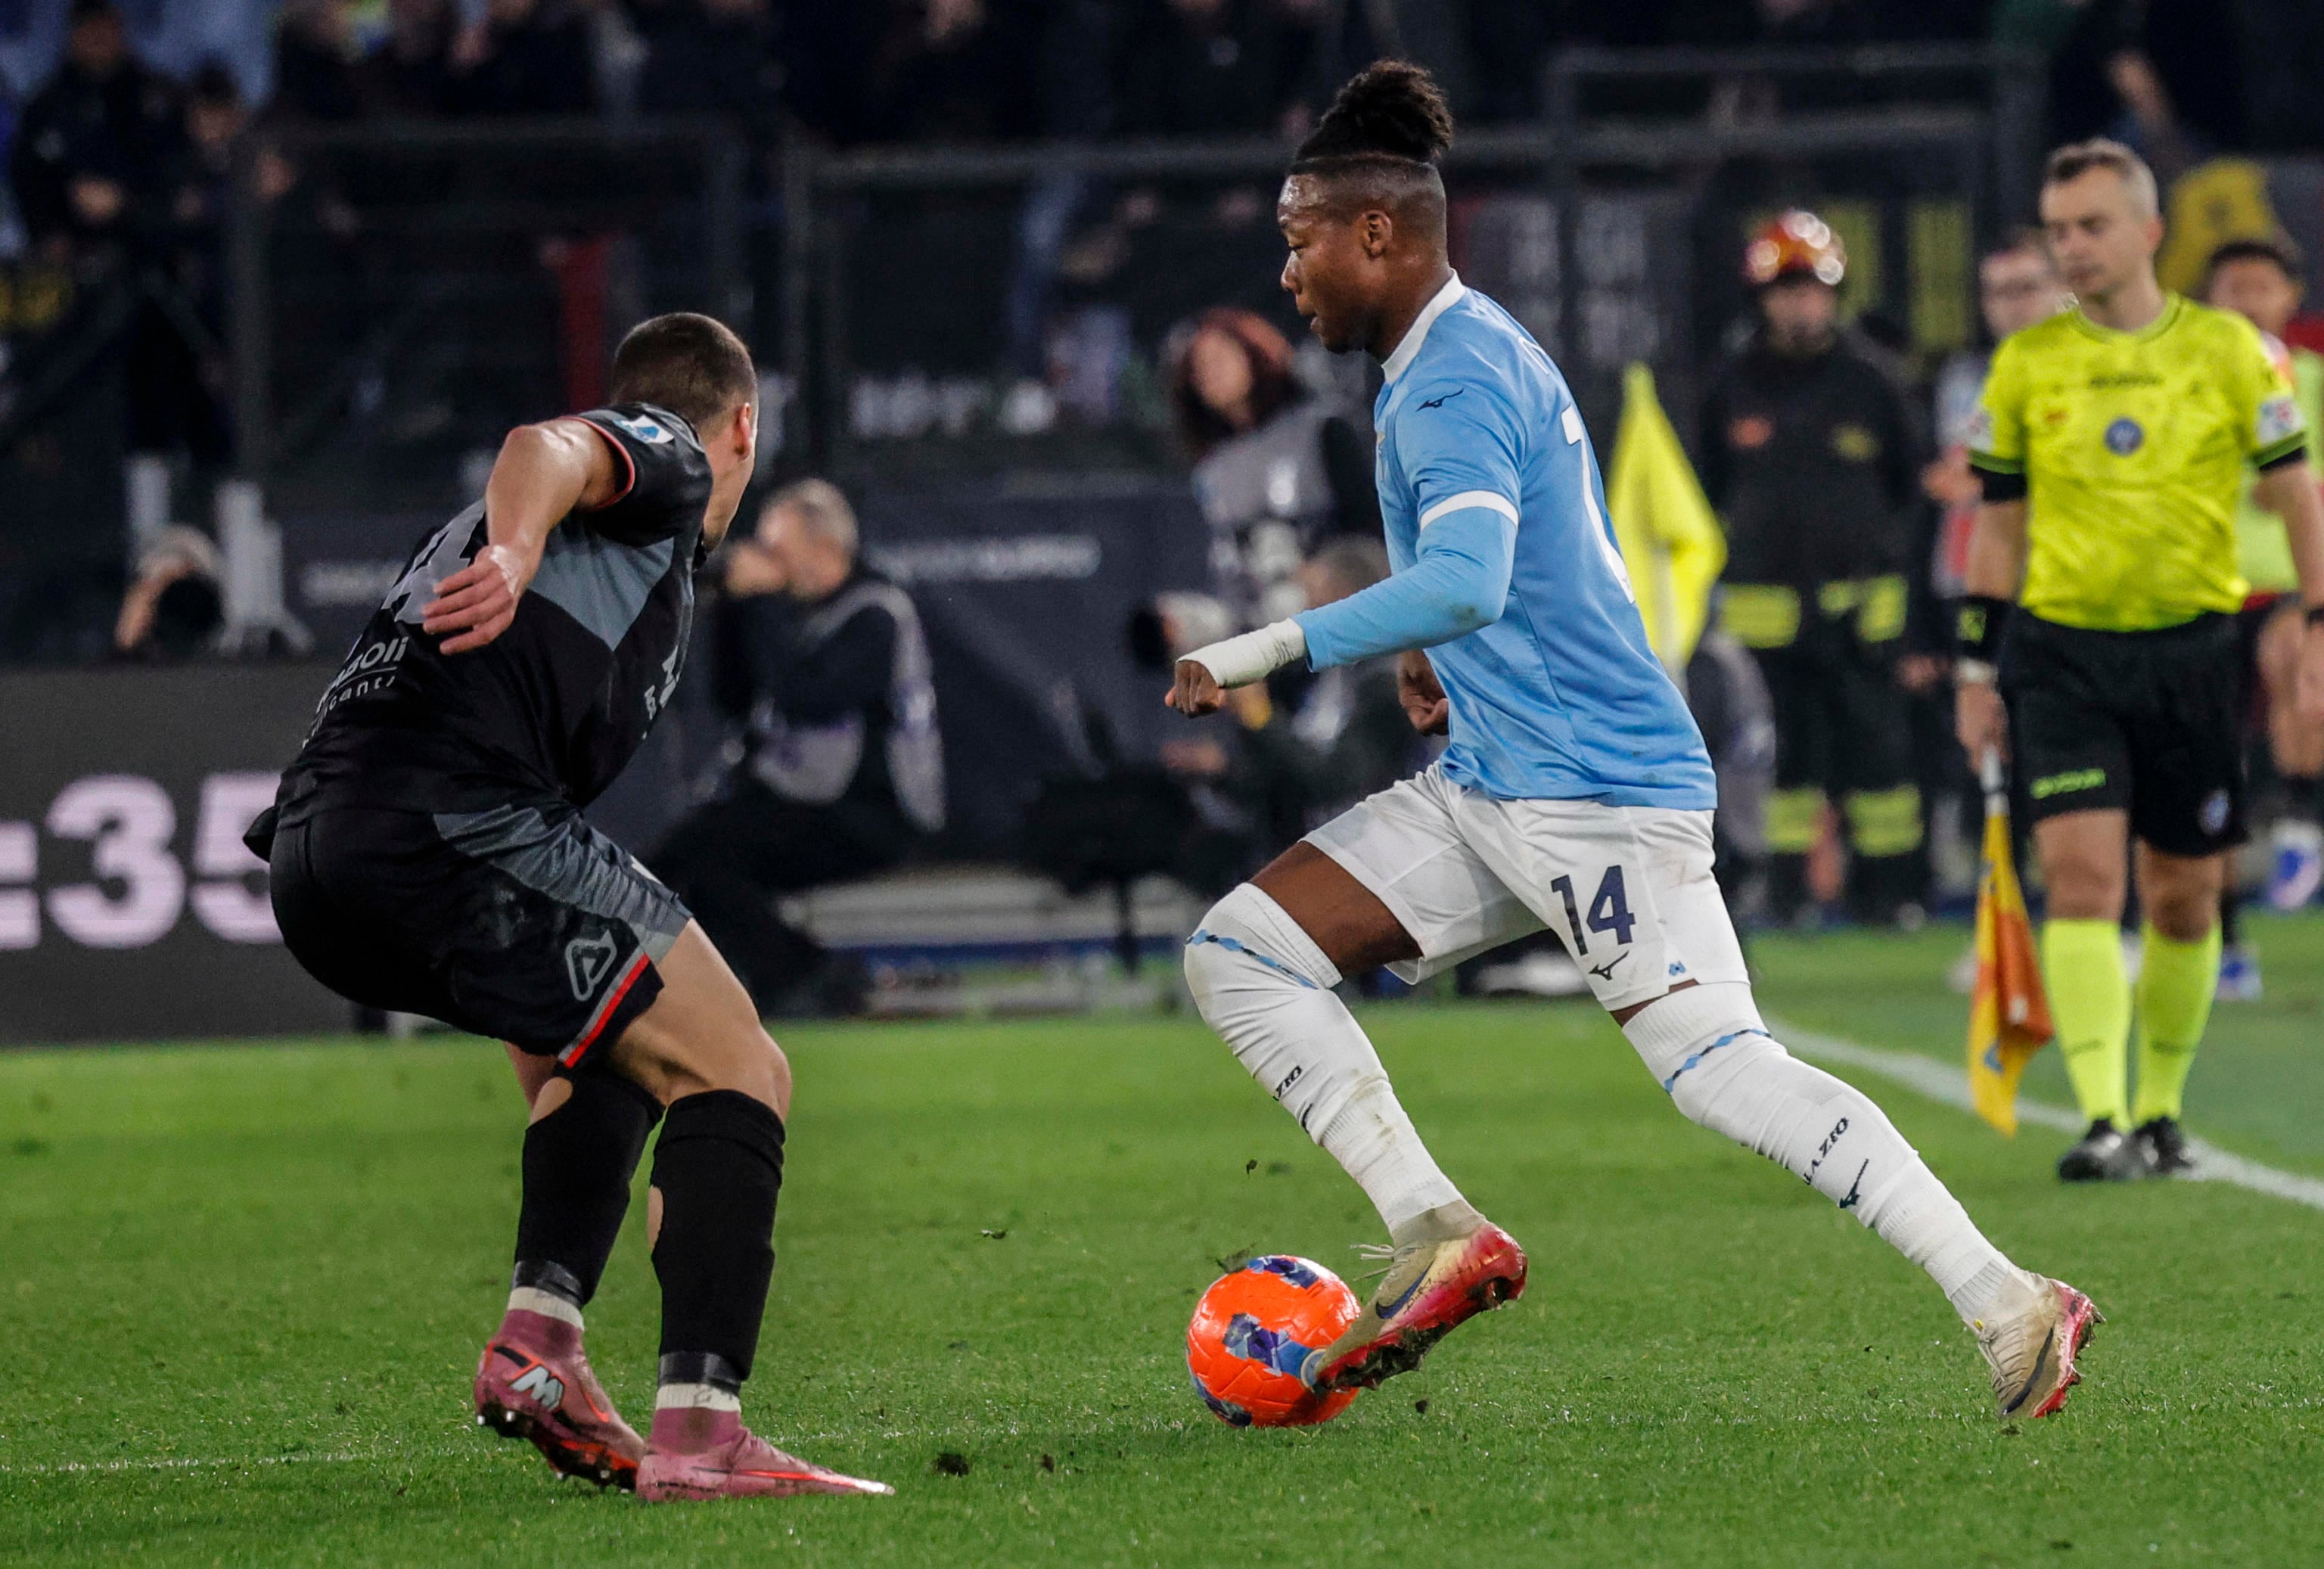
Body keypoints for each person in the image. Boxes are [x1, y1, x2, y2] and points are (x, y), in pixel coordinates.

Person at [1166, 60, 2099, 1424]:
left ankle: (2010, 1297)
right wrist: (1436, 653)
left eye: (1300, 235)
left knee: (1722, 1072)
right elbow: (1503, 571)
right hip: (1494, 777)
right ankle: (1434, 1223)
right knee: (1240, 950)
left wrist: (1262, 645)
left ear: (1378, 232)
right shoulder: (1450, 352)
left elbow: (1476, 573)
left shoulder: (1450, 377)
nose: (1288, 268)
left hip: (1598, 794)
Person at [250, 315, 890, 1501]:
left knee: (606, 1055)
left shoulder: (625, 557)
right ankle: (703, 1434)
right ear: (744, 425)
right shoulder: (672, 460)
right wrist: (513, 545)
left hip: (319, 854)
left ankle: (538, 1345)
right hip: (449, 821)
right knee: (741, 1068)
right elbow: (542, 444)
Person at [1957, 141, 2324, 1182]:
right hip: (2063, 654)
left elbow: (2299, 493)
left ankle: (2161, 1106)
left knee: (2184, 899)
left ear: (2149, 231)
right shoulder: (2027, 364)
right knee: (2080, 881)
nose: (2072, 246)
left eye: (2091, 225)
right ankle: (2105, 1114)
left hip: (2195, 653)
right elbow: (1998, 529)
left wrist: (2319, 623)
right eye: (2059, 228)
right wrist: (1979, 675)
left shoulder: (2231, 351)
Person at [1698, 210, 1930, 926]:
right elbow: (1706, 494)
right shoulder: (1730, 384)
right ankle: (1785, 891)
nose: (1801, 303)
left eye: (1813, 288)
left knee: (1880, 763)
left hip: (1865, 612)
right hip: (1763, 620)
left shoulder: (1875, 382)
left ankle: (1890, 894)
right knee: (1779, 763)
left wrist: (1903, 605)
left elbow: (1911, 495)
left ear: (1836, 293)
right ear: (1760, 297)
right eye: (1786, 289)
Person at [654, 479, 944, 1016]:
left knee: (703, 860)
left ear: (825, 549)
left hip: (869, 809)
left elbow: (810, 698)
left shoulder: (877, 612)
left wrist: (761, 603)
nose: (769, 566)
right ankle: (789, 977)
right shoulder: (793, 615)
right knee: (678, 863)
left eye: (778, 552)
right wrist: (734, 613)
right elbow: (734, 698)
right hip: (800, 800)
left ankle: (806, 975)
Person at [2203, 236, 2324, 934]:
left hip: (2284, 581)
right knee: (2207, 753)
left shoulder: (2309, 379)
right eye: (2232, 286)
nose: (2247, 300)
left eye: (2261, 285)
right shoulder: (2187, 379)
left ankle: (2301, 815)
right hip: (2203, 585)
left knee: (2294, 664)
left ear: (2290, 297)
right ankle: (2225, 929)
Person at [1170, 306, 1382, 629]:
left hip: (1347, 603)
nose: (1211, 374)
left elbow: (1371, 525)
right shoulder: (1214, 471)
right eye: (1199, 370)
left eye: (1220, 360)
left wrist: (1326, 574)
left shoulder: (1321, 429)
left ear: (1253, 355)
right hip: (1264, 620)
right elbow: (1228, 566)